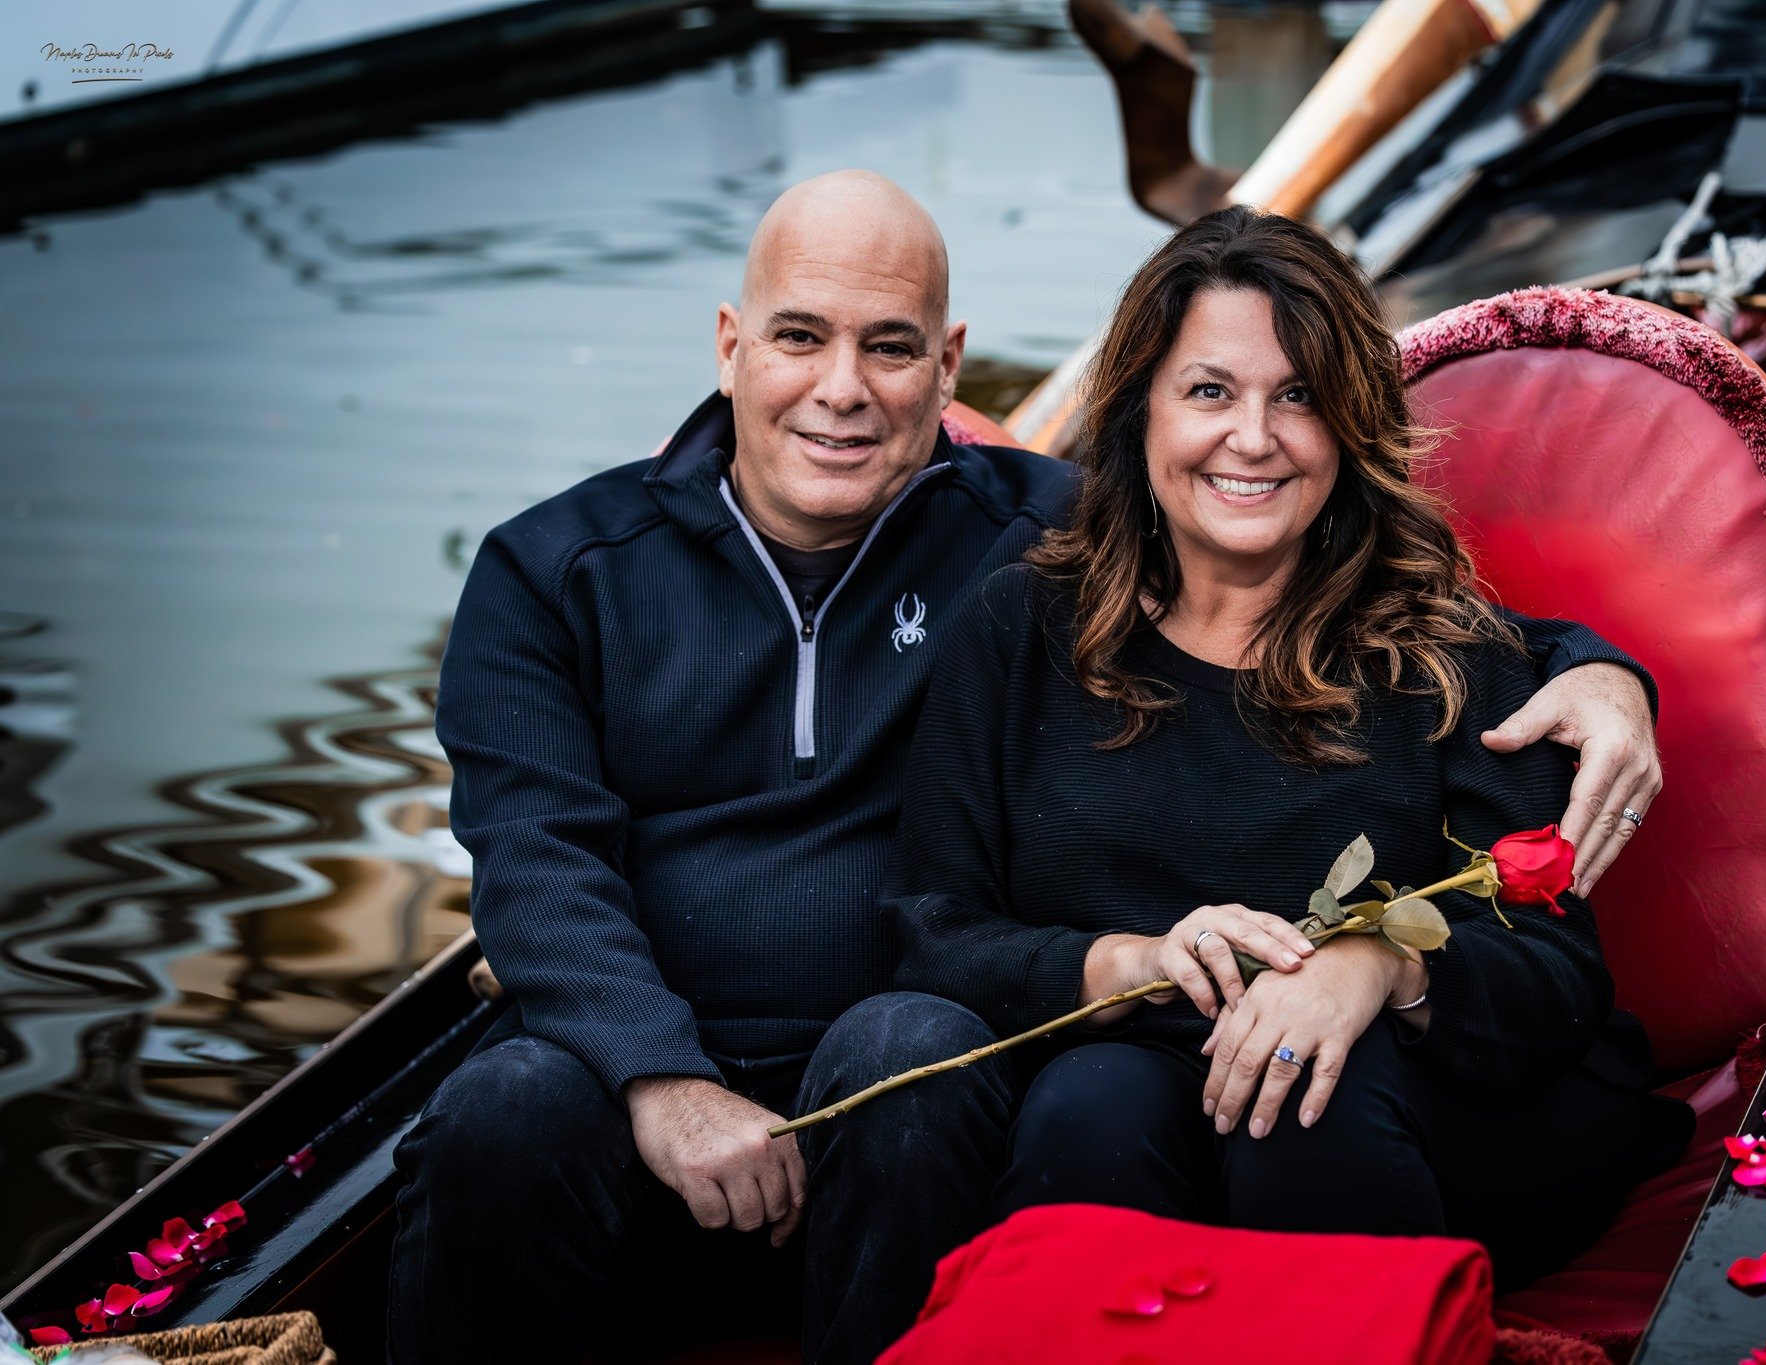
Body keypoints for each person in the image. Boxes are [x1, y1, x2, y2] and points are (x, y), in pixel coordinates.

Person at [390, 172, 1662, 1365]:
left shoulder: (1026, 534)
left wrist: (1605, 674)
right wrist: (661, 1080)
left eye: (890, 347)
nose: (840, 391)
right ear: (730, 345)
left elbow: (1335, 579)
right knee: (502, 1110)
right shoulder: (552, 573)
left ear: (946, 369)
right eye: (798, 338)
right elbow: (536, 864)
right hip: (640, 1066)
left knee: (910, 1050)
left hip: (912, 1059)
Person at [876, 206, 1693, 1289]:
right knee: (1088, 1107)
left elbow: (1554, 980)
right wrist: (1131, 963)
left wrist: (1380, 964)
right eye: (1209, 391)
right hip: (1139, 1079)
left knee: (1305, 1098)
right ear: (1140, 411)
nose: (1253, 438)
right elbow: (932, 937)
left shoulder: (1442, 655)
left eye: (1297, 396)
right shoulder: (1019, 630)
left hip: (1425, 1104)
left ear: (1348, 425)